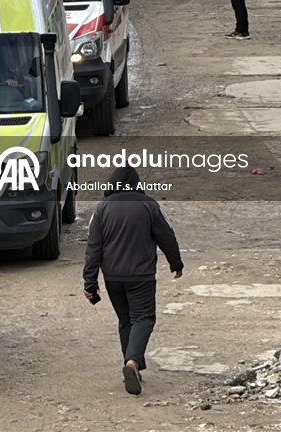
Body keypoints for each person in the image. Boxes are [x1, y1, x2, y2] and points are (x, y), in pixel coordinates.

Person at [82, 166, 183, 396]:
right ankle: (132, 363)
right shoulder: (149, 205)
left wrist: (90, 281)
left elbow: (93, 247)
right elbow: (166, 235)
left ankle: (133, 367)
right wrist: (175, 263)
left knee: (126, 320)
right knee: (143, 318)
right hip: (141, 275)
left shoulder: (102, 209)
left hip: (112, 277)